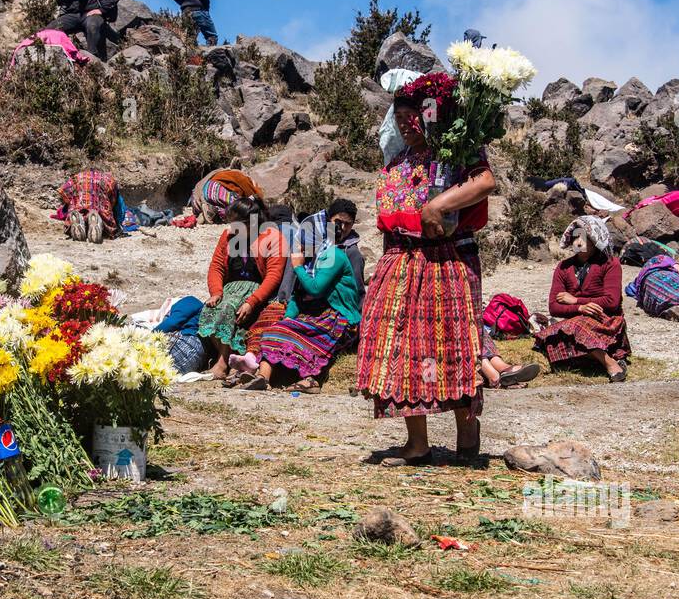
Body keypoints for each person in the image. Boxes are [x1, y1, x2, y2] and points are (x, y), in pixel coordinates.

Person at [355, 86, 497, 467]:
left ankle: (467, 431)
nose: (406, 126)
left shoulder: (455, 154)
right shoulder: (395, 164)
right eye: (399, 120)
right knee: (403, 351)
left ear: (431, 114)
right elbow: (389, 222)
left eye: (412, 117)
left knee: (451, 347)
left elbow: (485, 182)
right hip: (401, 259)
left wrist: (439, 203)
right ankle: (417, 442)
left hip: (447, 261)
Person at [246, 231, 363, 392]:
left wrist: (298, 267)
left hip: (339, 319)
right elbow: (298, 294)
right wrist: (287, 318)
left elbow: (315, 289)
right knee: (274, 330)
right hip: (316, 315)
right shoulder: (311, 260)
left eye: (302, 241)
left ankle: (312, 380)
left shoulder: (333, 256)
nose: (299, 246)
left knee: (312, 339)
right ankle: (262, 378)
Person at [197, 196, 286, 380]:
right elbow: (216, 267)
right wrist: (216, 292)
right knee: (211, 309)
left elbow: (273, 275)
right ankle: (224, 360)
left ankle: (223, 363)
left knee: (231, 309)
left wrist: (252, 301)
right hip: (230, 289)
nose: (232, 229)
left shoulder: (272, 237)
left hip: (257, 292)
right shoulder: (228, 237)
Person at [534, 216, 630, 381]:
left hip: (605, 320)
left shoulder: (610, 264)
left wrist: (576, 301)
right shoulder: (564, 267)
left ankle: (608, 363)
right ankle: (600, 356)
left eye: (585, 237)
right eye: (576, 237)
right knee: (549, 337)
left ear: (596, 239)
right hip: (575, 321)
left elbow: (611, 302)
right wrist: (580, 309)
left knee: (575, 328)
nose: (579, 242)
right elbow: (554, 306)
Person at [59, 169, 120, 243]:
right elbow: (114, 199)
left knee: (75, 212)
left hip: (78, 207)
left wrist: (70, 203)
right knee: (108, 224)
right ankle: (95, 220)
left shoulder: (76, 177)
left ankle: (78, 221)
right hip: (99, 210)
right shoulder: (109, 179)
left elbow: (62, 190)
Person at [153, 296, 208, 375]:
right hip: (197, 360)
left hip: (186, 343)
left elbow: (171, 323)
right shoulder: (202, 313)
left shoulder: (189, 301)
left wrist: (148, 336)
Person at [190, 168, 264, 224]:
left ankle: (208, 209)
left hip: (204, 192)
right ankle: (212, 211)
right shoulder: (246, 180)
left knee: (228, 205)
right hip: (219, 191)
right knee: (238, 208)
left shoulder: (223, 173)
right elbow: (254, 198)